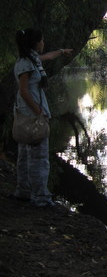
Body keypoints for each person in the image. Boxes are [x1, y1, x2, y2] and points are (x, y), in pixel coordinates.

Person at [12, 28, 73, 207]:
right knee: (38, 157)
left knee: (24, 155)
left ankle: (23, 191)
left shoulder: (30, 60)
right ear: (35, 43)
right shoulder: (27, 64)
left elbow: (48, 57)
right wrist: (38, 111)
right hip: (32, 117)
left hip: (26, 116)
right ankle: (41, 197)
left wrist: (62, 52)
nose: (43, 44)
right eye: (42, 41)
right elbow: (24, 91)